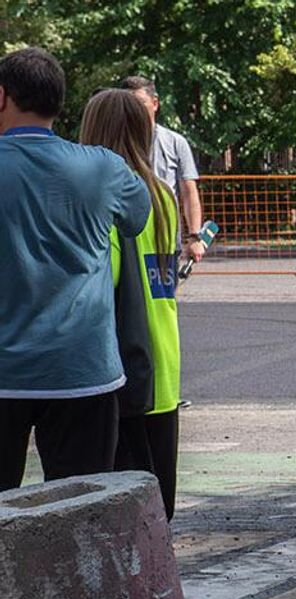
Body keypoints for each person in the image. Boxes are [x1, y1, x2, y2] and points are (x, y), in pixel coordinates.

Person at [0, 48, 151, 491]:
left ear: (2, 96)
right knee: (79, 515)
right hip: (83, 371)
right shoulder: (102, 168)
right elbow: (136, 218)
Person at [79, 88, 185, 519]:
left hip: (122, 368)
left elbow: (108, 279)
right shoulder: (162, 195)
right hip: (165, 363)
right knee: (158, 508)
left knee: (122, 511)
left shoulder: (105, 198)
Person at [118, 76, 205, 265]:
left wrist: (195, 237)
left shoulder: (175, 142)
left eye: (140, 103)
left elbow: (189, 193)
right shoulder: (115, 143)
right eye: (129, 104)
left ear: (155, 103)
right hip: (126, 244)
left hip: (164, 242)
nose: (134, 110)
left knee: (164, 295)